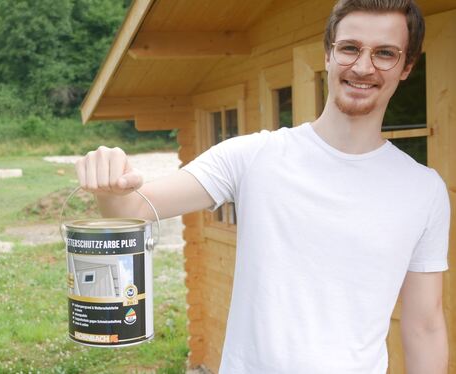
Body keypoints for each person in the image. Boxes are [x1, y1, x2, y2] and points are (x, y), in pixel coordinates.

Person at [75, 0, 450, 372]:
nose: (363, 66)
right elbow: (134, 210)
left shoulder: (424, 190)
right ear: (328, 55)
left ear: (406, 67)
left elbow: (426, 326)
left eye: (385, 53)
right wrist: (111, 185)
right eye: (350, 48)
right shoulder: (252, 156)